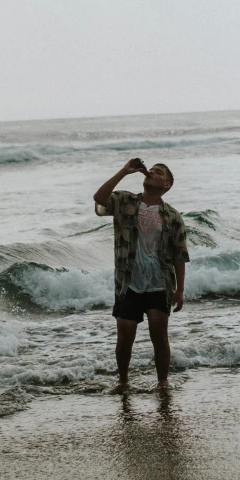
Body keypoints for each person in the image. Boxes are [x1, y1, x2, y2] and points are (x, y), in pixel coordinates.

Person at [93, 159, 189, 391]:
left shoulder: (172, 216)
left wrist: (180, 289)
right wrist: (124, 172)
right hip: (129, 283)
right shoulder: (125, 201)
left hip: (160, 283)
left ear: (167, 184)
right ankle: (124, 382)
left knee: (160, 336)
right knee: (125, 338)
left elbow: (179, 255)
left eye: (158, 173)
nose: (151, 173)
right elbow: (99, 198)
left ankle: (163, 383)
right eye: (151, 170)